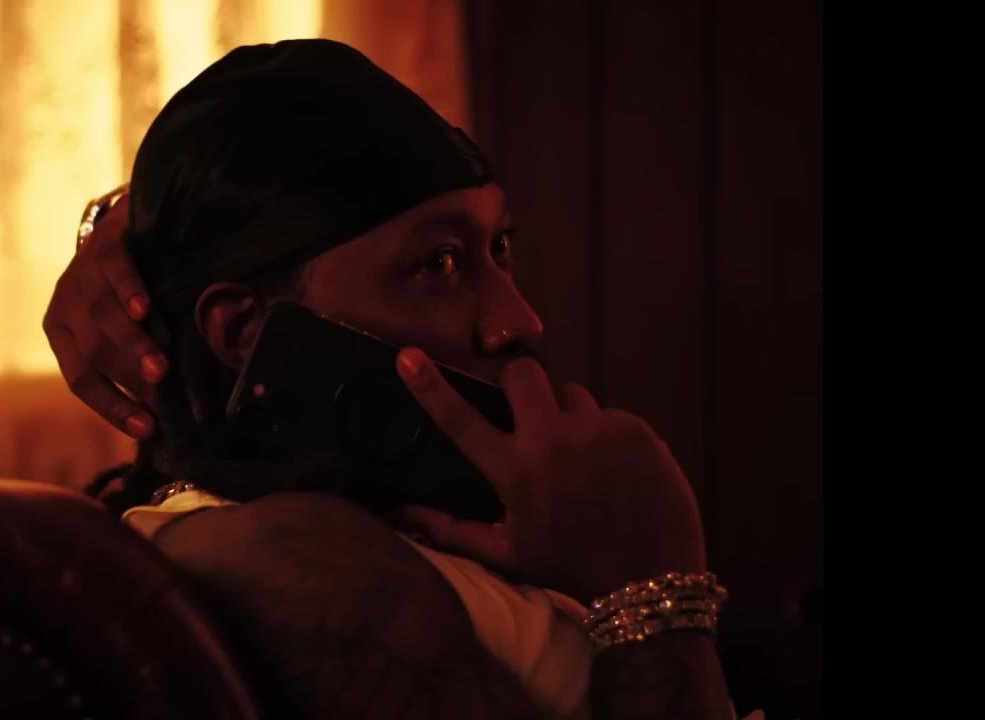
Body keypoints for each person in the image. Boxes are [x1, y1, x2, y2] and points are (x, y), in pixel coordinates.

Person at [44, 39, 755, 720]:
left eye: (499, 245)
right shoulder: (291, 561)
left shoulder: (406, 526)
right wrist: (651, 589)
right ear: (243, 332)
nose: (520, 321)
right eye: (437, 263)